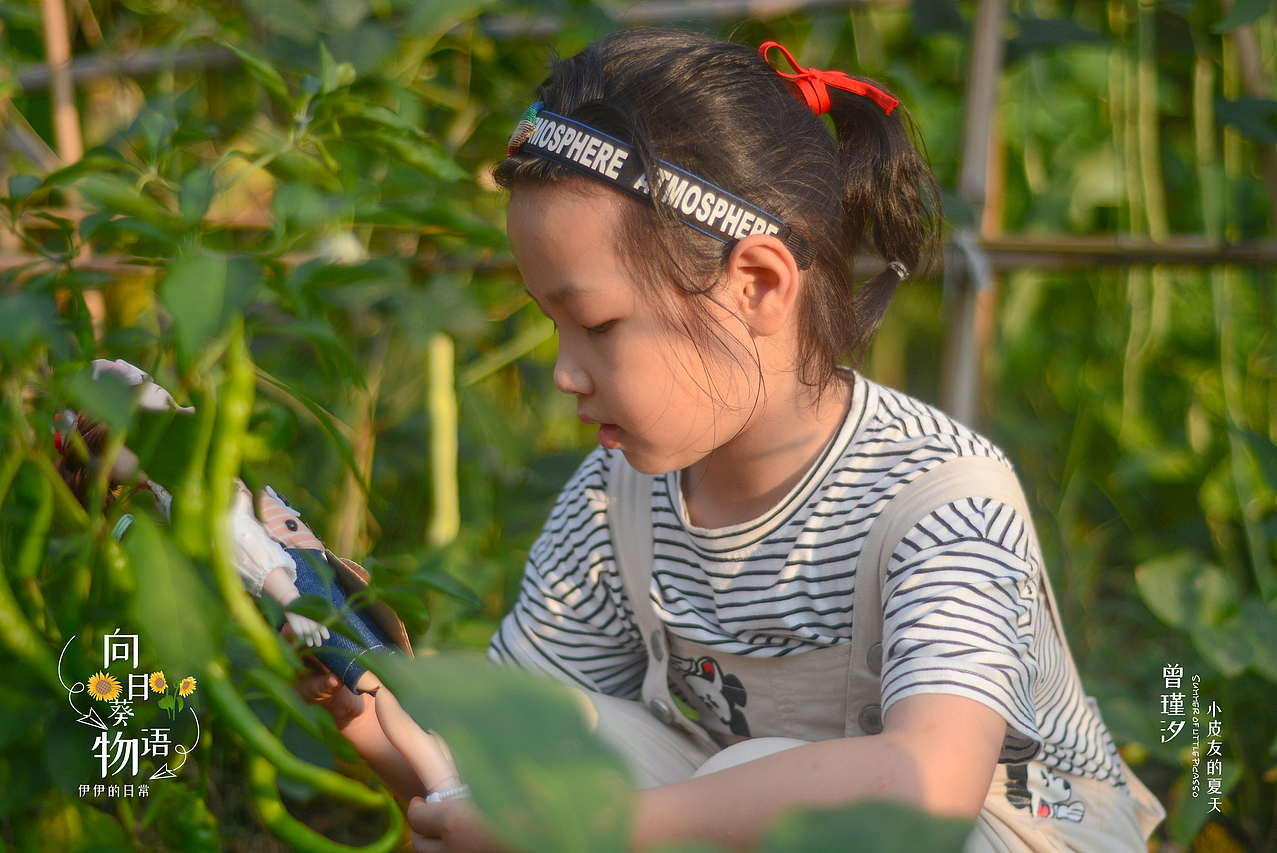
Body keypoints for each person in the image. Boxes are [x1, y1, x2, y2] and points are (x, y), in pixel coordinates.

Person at [301, 28, 1164, 853]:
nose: (565, 372)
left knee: (747, 781)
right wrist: (372, 707)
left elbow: (925, 782)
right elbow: (501, 759)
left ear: (755, 284)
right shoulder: (617, 496)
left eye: (599, 323)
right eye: (551, 324)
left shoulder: (939, 494)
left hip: (1015, 829)